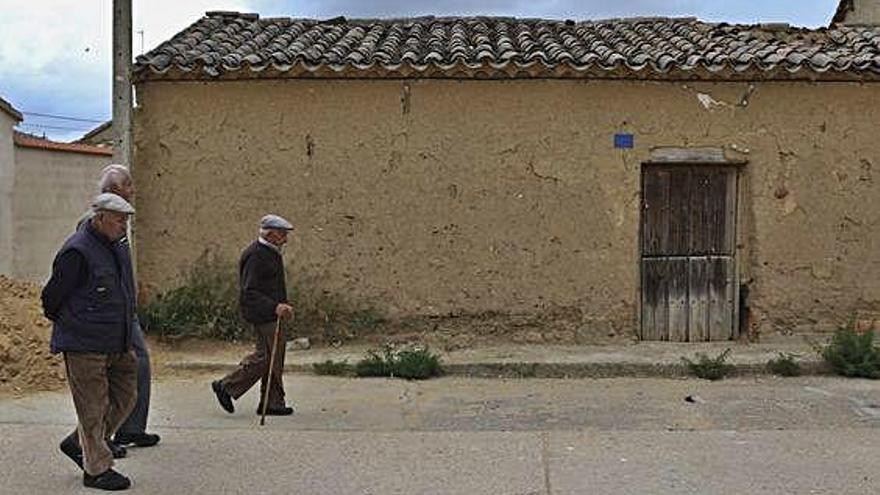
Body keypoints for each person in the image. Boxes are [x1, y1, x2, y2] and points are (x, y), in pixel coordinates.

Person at [42, 193, 139, 491]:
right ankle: (96, 470)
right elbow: (51, 300)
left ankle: (78, 443)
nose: (124, 225)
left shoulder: (117, 246)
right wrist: (78, 324)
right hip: (84, 344)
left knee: (126, 397)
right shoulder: (77, 251)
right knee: (93, 409)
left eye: (126, 220)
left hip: (117, 340)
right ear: (99, 218)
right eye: (119, 219)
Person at [90, 165, 160, 448]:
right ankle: (99, 440)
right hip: (106, 315)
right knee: (107, 376)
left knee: (138, 366)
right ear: (113, 191)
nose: (133, 191)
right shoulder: (97, 223)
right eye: (128, 186)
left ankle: (130, 428)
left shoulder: (120, 222)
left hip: (124, 314)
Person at [212, 214, 295, 416]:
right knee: (266, 357)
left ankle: (273, 402)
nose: (285, 239)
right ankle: (227, 385)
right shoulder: (256, 254)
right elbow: (249, 291)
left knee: (274, 357)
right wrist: (274, 306)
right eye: (282, 234)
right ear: (270, 234)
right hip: (263, 314)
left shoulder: (271, 252)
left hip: (273, 313)